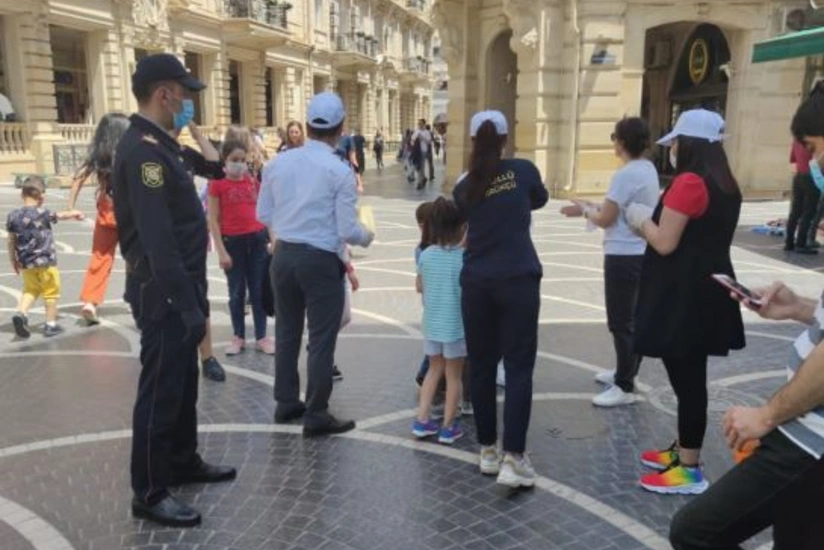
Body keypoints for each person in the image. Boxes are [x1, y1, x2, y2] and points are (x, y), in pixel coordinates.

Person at [670, 97, 824, 543]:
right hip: (806, 435)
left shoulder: (692, 184)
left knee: (695, 532)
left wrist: (767, 416)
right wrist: (801, 308)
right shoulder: (725, 182)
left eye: (813, 148)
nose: (810, 162)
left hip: (808, 440)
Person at [113, 53, 235, 528]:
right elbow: (158, 238)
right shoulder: (143, 151)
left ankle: (183, 460)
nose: (188, 103)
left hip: (183, 285)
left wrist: (193, 297)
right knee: (161, 389)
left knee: (183, 384)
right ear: (165, 94)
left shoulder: (164, 144)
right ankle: (147, 489)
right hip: (162, 290)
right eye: (184, 94)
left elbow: (217, 170)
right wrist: (185, 303)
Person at [625, 109, 745, 495]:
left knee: (688, 381)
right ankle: (682, 449)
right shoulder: (725, 181)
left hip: (683, 297)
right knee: (688, 377)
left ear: (688, 144)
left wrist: (640, 218)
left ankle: (689, 468)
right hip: (706, 291)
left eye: (676, 141)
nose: (672, 148)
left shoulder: (690, 182)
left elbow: (664, 241)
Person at [257, 92, 374, 437]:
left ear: (307, 126)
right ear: (340, 129)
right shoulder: (339, 171)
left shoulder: (276, 164)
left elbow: (263, 214)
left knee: (287, 333)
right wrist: (366, 235)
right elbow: (346, 230)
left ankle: (286, 402)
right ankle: (317, 412)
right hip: (320, 261)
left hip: (283, 256)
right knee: (321, 340)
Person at [453, 110, 549, 488]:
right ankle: (515, 456)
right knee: (519, 367)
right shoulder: (524, 171)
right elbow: (538, 200)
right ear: (506, 138)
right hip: (518, 280)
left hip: (477, 282)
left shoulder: (465, 186)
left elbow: (464, 217)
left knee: (481, 365)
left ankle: (488, 451)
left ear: (474, 141)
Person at [561, 117, 660, 407]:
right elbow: (617, 208)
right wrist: (586, 208)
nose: (613, 143)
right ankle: (625, 371)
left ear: (623, 142)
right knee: (632, 318)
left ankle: (625, 386)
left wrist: (584, 210)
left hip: (623, 254)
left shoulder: (626, 174)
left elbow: (607, 218)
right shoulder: (647, 169)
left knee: (621, 321)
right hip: (639, 252)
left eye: (615, 137)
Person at [207, 140, 274, 356]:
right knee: (236, 293)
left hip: (257, 241)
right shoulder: (217, 185)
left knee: (258, 291)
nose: (239, 164)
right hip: (232, 243)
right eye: (235, 160)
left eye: (243, 160)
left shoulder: (253, 183)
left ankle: (262, 336)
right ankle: (238, 336)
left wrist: (272, 239)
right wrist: (221, 251)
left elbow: (266, 213)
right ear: (225, 160)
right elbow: (213, 220)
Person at [66, 113, 130, 325]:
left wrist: (70, 207)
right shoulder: (129, 153)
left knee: (100, 258)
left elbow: (78, 178)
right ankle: (136, 296)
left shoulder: (99, 156)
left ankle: (90, 303)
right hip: (130, 214)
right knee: (136, 257)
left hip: (106, 212)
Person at [412, 197, 466, 445]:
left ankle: (422, 420)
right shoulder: (464, 258)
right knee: (454, 377)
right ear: (460, 228)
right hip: (456, 326)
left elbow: (420, 286)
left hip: (432, 324)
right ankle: (448, 426)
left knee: (434, 370)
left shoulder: (426, 254)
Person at [177, 122, 227, 383]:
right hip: (163, 241)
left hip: (191, 240)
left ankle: (207, 357)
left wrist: (197, 134)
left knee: (199, 299)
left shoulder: (183, 153)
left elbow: (217, 169)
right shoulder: (146, 153)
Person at [8, 177, 84, 338]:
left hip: (26, 263)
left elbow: (11, 240)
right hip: (46, 262)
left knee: (30, 290)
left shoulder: (13, 215)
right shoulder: (43, 213)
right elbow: (61, 215)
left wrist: (13, 260)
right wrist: (74, 212)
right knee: (51, 292)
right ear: (41, 197)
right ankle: (50, 324)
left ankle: (21, 313)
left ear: (22, 195)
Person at [785, 138, 819, 254]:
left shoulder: (796, 140)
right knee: (809, 212)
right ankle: (801, 243)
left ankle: (789, 243)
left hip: (798, 176)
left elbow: (793, 159)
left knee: (795, 211)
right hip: (812, 177)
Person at [411, 119, 432, 189]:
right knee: (417, 167)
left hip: (423, 151)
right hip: (417, 151)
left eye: (421, 124)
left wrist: (422, 138)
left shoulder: (427, 132)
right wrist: (413, 141)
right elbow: (412, 140)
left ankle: (419, 183)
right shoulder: (417, 131)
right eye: (418, 124)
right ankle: (424, 178)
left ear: (424, 124)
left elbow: (429, 142)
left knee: (421, 167)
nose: (419, 125)